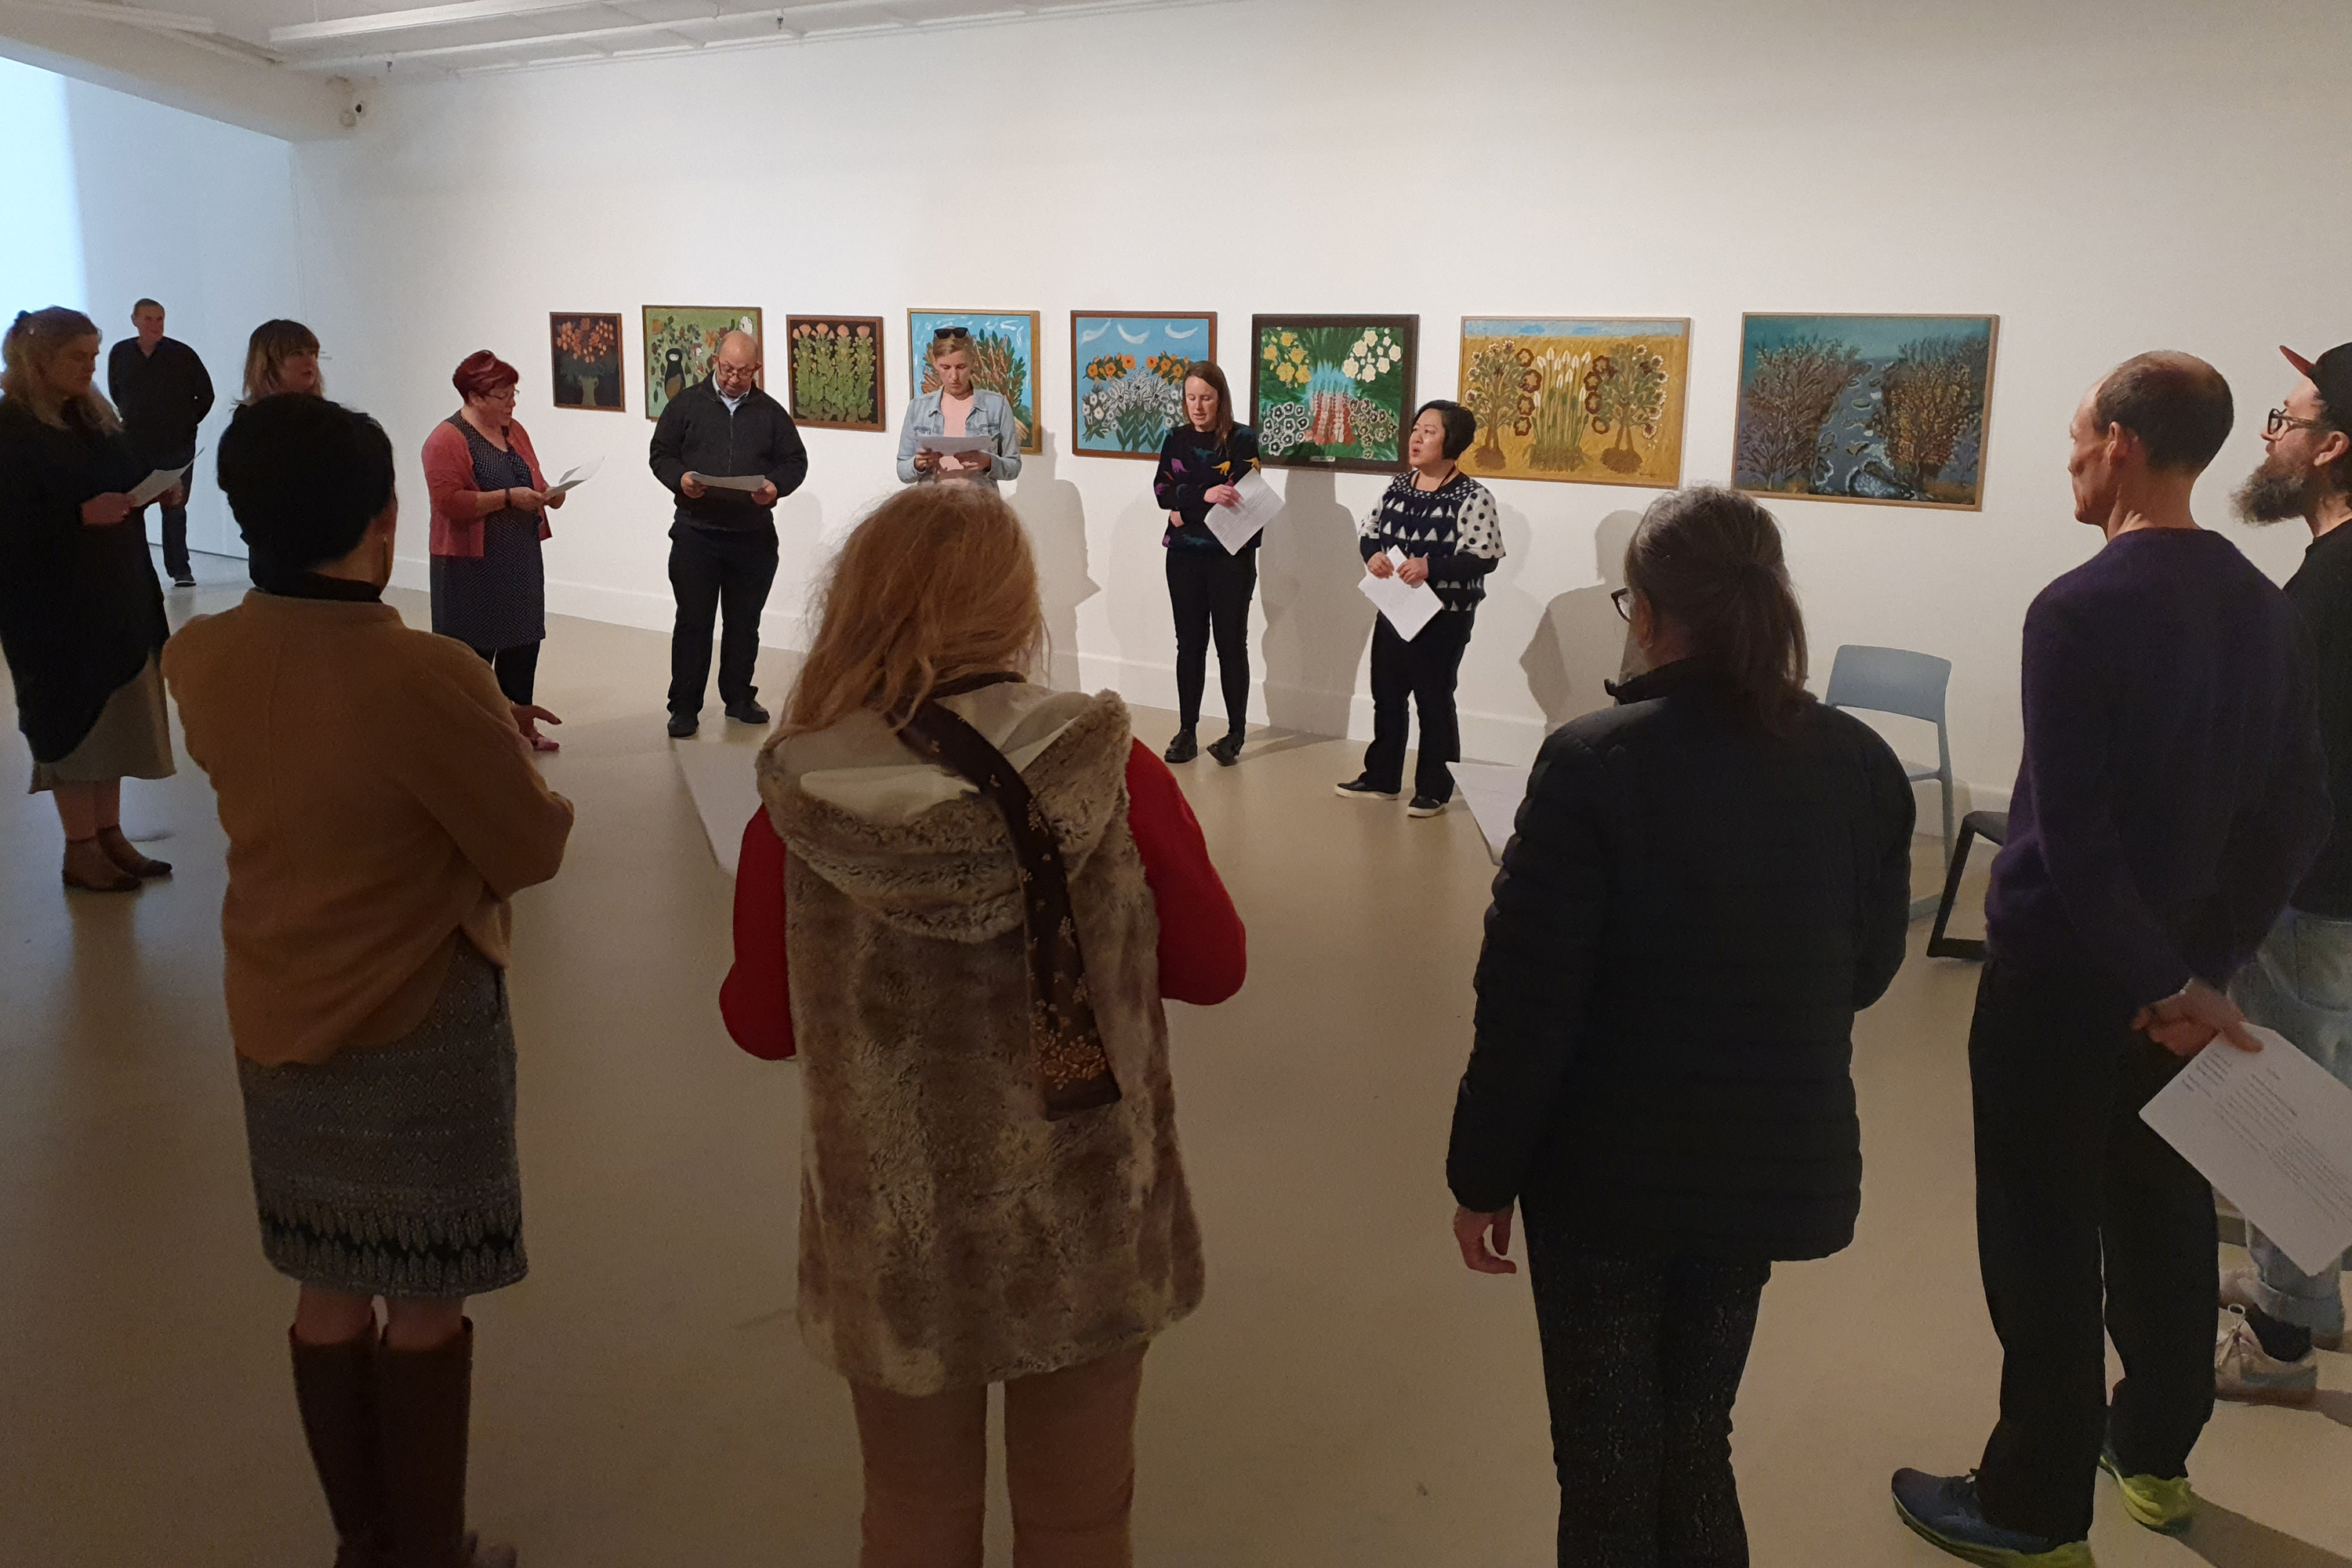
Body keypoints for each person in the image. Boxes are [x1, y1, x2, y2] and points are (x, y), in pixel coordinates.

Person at [718, 482, 1245, 1568]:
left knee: (912, 1519)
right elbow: (1215, 965)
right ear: (1015, 611)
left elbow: (761, 1025)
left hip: (897, 1225)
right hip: (1087, 1206)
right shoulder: (1113, 768)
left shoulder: (800, 795)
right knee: (1080, 1520)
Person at [1893, 354, 2331, 1566]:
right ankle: (2153, 1454)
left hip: (2063, 985)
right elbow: (2299, 811)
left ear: (2125, 443)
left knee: (2040, 1234)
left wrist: (2158, 978)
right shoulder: (2264, 604)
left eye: (2080, 434)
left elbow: (2072, 837)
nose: (2070, 457)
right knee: (2163, 1214)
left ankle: (2032, 1507)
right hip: (2180, 989)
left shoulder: (2078, 608)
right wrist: (2205, 972)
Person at [1446, 485, 1914, 1566]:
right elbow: (1869, 968)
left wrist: (1482, 1175)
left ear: (1646, 612)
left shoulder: (1592, 761)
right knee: (1697, 1433)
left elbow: (1526, 1008)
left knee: (1608, 1458)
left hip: (1607, 1172)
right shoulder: (1855, 761)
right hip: (1760, 1164)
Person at [163, 392, 575, 1568]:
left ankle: (364, 1541)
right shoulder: (424, 676)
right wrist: (491, 733)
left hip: (275, 1007)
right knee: (426, 1301)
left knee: (326, 1288)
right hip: (417, 1023)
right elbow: (529, 848)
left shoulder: (204, 656)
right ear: (386, 522)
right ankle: (430, 1551)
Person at [2212, 340, 2352, 1403]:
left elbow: (2307, 780)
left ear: (2332, 447)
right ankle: (2307, 1291)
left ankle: (2283, 1337)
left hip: (2315, 896)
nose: (2270, 434)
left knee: (2291, 1102)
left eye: (2286, 417)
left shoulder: (2330, 596)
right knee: (2326, 1091)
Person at [0, 306, 180, 894]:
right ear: (39, 360)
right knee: (74, 726)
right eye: (78, 357)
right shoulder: (13, 427)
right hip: (54, 609)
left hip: (115, 593)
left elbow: (123, 478)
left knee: (115, 718)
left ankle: (110, 835)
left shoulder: (90, 417)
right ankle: (80, 849)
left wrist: (157, 491)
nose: (91, 367)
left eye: (94, 355)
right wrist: (77, 515)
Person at [1335, 399, 1503, 816]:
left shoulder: (1473, 496)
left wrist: (1432, 566)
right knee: (1387, 695)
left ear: (1453, 442)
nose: (1416, 438)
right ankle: (1382, 777)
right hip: (1394, 608)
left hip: (1445, 616)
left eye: (1429, 431)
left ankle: (1433, 789)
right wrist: (1371, 556)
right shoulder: (1397, 486)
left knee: (1434, 699)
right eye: (1416, 429)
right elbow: (1369, 531)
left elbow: (1485, 556)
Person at [648, 328, 808, 739]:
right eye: (727, 369)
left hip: (752, 536)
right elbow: (660, 454)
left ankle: (738, 697)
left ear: (756, 369)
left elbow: (795, 461)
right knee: (693, 622)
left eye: (743, 372)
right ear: (713, 363)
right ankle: (684, 707)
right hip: (696, 534)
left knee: (743, 623)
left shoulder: (770, 413)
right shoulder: (685, 405)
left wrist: (775, 486)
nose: (734, 378)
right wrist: (680, 478)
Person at [424, 350, 564, 752]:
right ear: (475, 397)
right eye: (503, 395)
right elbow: (449, 502)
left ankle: (522, 729)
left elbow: (532, 479)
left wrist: (547, 495)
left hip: (518, 556)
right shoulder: (446, 439)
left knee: (522, 644)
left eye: (513, 393)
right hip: (470, 565)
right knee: (471, 655)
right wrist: (506, 498)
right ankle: (468, 738)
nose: (512, 402)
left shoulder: (513, 430)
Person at [1151, 362, 1261, 766]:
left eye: (1206, 398)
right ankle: (1187, 731)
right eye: (1191, 397)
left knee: (1231, 645)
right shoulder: (1175, 438)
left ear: (1221, 399)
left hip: (1231, 558)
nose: (1197, 407)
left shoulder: (1242, 439)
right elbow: (1163, 492)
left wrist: (1187, 507)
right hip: (1183, 558)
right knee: (1189, 644)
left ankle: (1235, 733)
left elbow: (1238, 495)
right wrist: (1201, 497)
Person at [107, 297, 215, 588]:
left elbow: (206, 394)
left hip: (176, 444)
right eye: (148, 319)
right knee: (134, 508)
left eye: (159, 319)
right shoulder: (120, 353)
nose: (155, 325)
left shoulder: (182, 354)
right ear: (134, 320)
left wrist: (186, 423)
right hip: (136, 445)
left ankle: (181, 570)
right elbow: (117, 391)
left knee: (175, 507)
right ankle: (139, 571)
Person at [895, 327, 1022, 491]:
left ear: (972, 363)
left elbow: (1013, 466)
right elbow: (902, 471)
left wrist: (988, 462)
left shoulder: (996, 405)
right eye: (945, 367)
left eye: (961, 367)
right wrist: (918, 464)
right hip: (932, 503)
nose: (953, 377)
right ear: (935, 364)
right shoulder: (918, 406)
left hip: (979, 504)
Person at [243, 318, 323, 401]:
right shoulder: (251, 413)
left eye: (312, 353)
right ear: (270, 363)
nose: (309, 361)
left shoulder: (326, 412)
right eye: (296, 354)